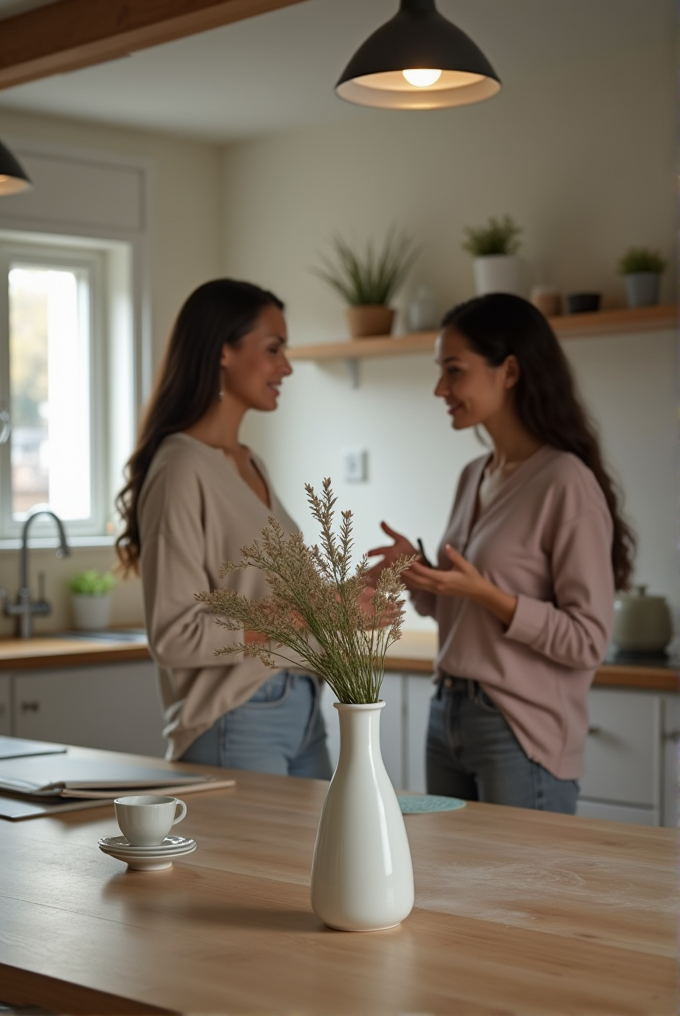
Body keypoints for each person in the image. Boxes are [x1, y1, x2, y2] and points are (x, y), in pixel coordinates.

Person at [368, 293, 635, 813]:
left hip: (519, 729)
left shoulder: (565, 481)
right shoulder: (475, 476)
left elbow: (587, 641)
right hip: (447, 715)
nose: (440, 388)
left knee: (519, 894)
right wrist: (422, 577)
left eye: (454, 370)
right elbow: (461, 611)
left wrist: (488, 594)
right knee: (448, 890)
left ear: (508, 371)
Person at [115, 279, 332, 778]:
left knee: (323, 858)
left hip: (301, 709)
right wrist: (312, 613)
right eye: (274, 349)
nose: (287, 367)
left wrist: (349, 599)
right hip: (236, 717)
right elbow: (174, 636)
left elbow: (283, 602)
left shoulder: (249, 463)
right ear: (223, 353)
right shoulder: (181, 468)